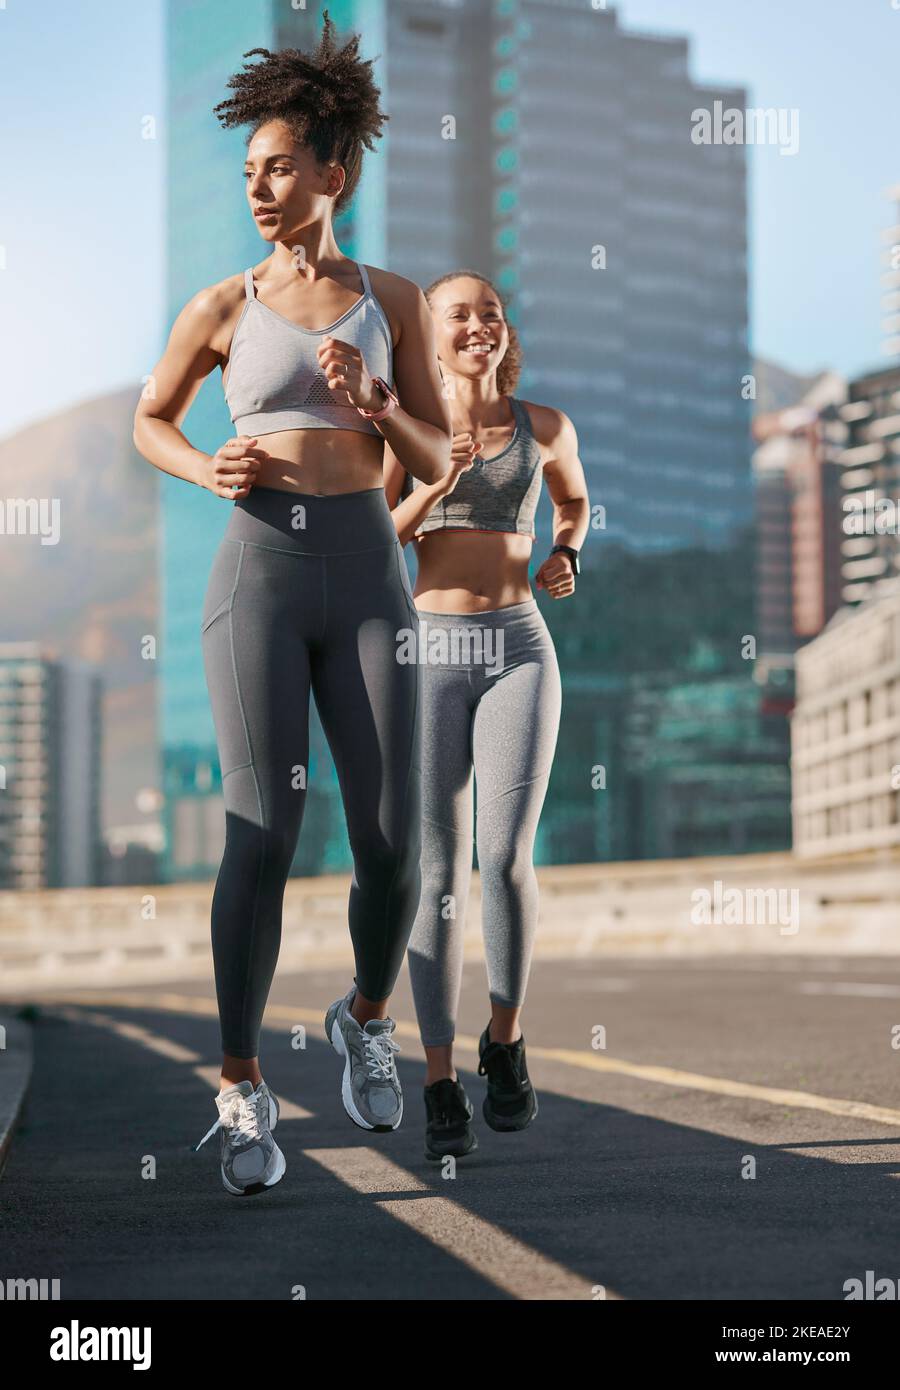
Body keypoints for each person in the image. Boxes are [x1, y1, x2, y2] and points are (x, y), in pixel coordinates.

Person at [133, 19, 451, 1194]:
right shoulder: (222, 306)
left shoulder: (395, 300)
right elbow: (149, 417)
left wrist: (376, 400)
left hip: (368, 572)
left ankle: (366, 1016)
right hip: (257, 576)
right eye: (249, 170)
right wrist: (203, 465)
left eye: (280, 167)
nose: (261, 188)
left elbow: (437, 459)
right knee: (262, 835)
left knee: (386, 839)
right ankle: (242, 1085)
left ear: (336, 172)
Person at [384, 271, 589, 1160]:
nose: (478, 325)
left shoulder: (545, 426)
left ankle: (502, 1043)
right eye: (458, 314)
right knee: (438, 875)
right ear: (430, 337)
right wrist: (438, 479)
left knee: (503, 857)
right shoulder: (410, 428)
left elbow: (575, 503)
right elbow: (382, 529)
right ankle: (435, 1079)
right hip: (430, 649)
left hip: (518, 647)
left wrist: (568, 551)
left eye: (490, 313)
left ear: (506, 331)